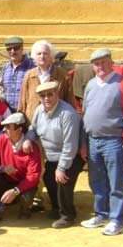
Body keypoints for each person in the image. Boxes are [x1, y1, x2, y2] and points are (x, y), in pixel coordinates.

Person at [80, 49, 123, 236]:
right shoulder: (91, 85)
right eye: (96, 63)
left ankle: (118, 220)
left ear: (111, 62)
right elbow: (85, 114)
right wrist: (84, 141)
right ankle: (101, 214)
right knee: (96, 181)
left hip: (113, 140)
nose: (100, 66)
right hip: (92, 140)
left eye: (103, 62)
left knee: (116, 182)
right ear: (93, 66)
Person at [23, 81, 84, 229]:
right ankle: (57, 209)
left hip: (71, 156)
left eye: (50, 94)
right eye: (43, 96)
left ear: (56, 94)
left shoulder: (67, 113)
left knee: (62, 180)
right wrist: (28, 139)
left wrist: (62, 167)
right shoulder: (39, 110)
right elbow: (33, 128)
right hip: (51, 157)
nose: (46, 98)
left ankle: (67, 215)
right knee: (49, 178)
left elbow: (70, 145)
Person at [0, 113, 42, 226]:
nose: (4, 130)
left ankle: (24, 209)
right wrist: (2, 168)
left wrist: (16, 190)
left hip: (22, 183)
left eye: (8, 127)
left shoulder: (32, 148)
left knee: (27, 195)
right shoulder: (1, 139)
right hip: (6, 179)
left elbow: (33, 176)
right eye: (5, 127)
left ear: (20, 129)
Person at [18, 39, 74, 123]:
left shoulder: (63, 75)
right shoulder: (29, 75)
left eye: (45, 53)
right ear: (34, 57)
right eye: (39, 54)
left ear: (51, 57)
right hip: (32, 123)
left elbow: (70, 101)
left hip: (55, 123)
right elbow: (22, 102)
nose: (42, 56)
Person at [0, 36, 35, 112]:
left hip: (26, 112)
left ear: (22, 49)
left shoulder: (32, 66)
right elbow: (1, 88)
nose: (12, 51)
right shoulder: (5, 69)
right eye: (9, 49)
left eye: (16, 48)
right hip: (8, 113)